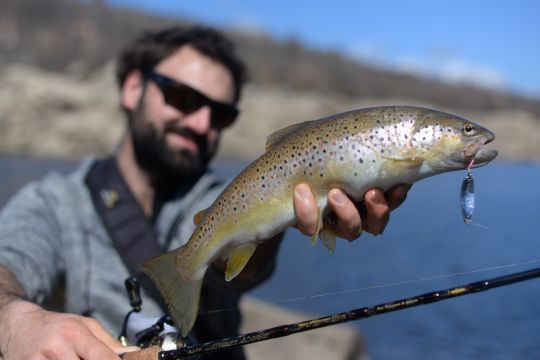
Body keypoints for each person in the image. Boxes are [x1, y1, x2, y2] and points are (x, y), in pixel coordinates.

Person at [0, 25, 410, 359]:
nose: (200, 123)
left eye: (220, 113)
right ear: (132, 89)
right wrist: (15, 321)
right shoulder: (52, 204)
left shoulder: (215, 197)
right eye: (182, 98)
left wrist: (282, 210)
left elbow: (235, 272)